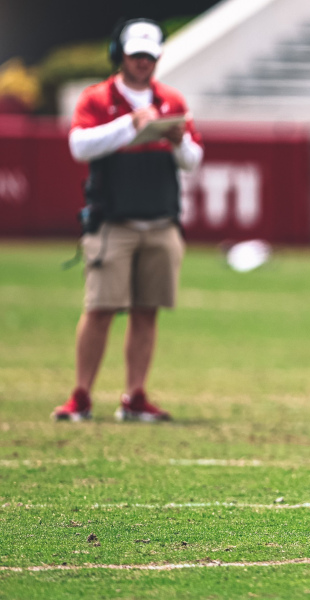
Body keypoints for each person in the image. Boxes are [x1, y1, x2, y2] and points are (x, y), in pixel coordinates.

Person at [51, 18, 203, 422]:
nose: (142, 64)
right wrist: (128, 126)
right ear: (120, 55)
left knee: (147, 310)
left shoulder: (172, 99)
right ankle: (81, 395)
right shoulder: (98, 98)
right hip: (113, 221)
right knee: (100, 307)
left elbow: (193, 159)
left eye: (148, 57)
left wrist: (176, 139)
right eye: (135, 55)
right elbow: (79, 146)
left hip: (161, 220)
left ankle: (135, 395)